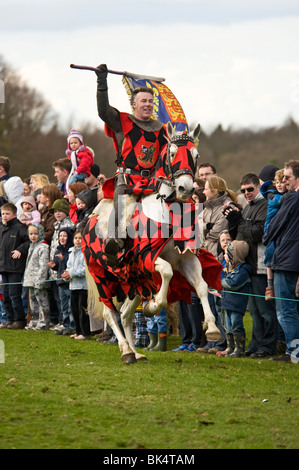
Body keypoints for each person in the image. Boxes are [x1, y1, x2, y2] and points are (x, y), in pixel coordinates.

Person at [95, 64, 168, 263]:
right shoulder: (122, 122)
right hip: (127, 180)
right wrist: (102, 82)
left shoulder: (161, 129)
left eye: (150, 101)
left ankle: (178, 242)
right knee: (120, 206)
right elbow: (103, 111)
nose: (147, 104)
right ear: (134, 104)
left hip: (152, 181)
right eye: (143, 101)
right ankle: (114, 243)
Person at [223, 172, 278, 359]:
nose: (246, 193)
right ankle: (255, 344)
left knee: (265, 311)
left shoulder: (265, 205)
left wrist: (240, 222)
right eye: (243, 190)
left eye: (250, 189)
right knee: (254, 311)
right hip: (248, 266)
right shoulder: (247, 207)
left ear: (257, 186)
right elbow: (240, 234)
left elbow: (258, 233)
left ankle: (268, 346)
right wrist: (233, 221)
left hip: (261, 266)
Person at [263, 160, 299, 362]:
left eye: (288, 177)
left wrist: (267, 237)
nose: (283, 180)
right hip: (289, 258)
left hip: (287, 259)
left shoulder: (292, 198)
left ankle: (294, 353)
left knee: (286, 311)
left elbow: (275, 225)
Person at [218, 240, 252, 357]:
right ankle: (230, 347)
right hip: (227, 303)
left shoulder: (244, 270)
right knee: (228, 326)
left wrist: (222, 281)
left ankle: (239, 348)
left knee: (236, 325)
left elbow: (233, 284)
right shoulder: (228, 268)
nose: (225, 256)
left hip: (237, 304)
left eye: (228, 254)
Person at [0, 202, 29, 329]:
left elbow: (28, 241)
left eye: (7, 214)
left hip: (15, 267)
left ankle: (20, 320)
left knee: (14, 295)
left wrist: (20, 250)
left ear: (14, 214)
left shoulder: (20, 227)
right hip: (3, 266)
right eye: (3, 214)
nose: (5, 216)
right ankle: (10, 320)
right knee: (5, 296)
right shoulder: (1, 228)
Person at [260, 169, 287, 300]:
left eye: (282, 182)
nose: (279, 185)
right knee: (269, 256)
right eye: (277, 182)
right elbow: (283, 201)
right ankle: (269, 286)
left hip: (280, 234)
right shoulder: (273, 196)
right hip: (270, 231)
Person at [48, 198, 75, 328]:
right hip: (58, 266)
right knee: (59, 298)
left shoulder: (69, 225)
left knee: (66, 300)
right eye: (55, 211)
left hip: (67, 270)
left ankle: (68, 324)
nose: (57, 213)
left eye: (60, 211)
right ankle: (62, 321)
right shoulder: (56, 225)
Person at [61, 230, 91, 340]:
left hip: (83, 286)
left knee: (83, 311)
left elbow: (84, 270)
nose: (77, 240)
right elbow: (69, 266)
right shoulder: (71, 252)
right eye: (76, 238)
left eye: (80, 238)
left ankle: (85, 333)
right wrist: (66, 275)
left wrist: (71, 273)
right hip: (73, 286)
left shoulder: (85, 253)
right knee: (74, 311)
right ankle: (78, 331)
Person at [23, 224, 50, 330]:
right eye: (31, 234)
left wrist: (40, 281)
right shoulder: (31, 246)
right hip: (31, 280)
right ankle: (34, 321)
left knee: (42, 302)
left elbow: (43, 266)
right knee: (33, 302)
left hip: (39, 281)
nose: (33, 236)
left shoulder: (43, 247)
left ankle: (44, 322)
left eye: (35, 233)